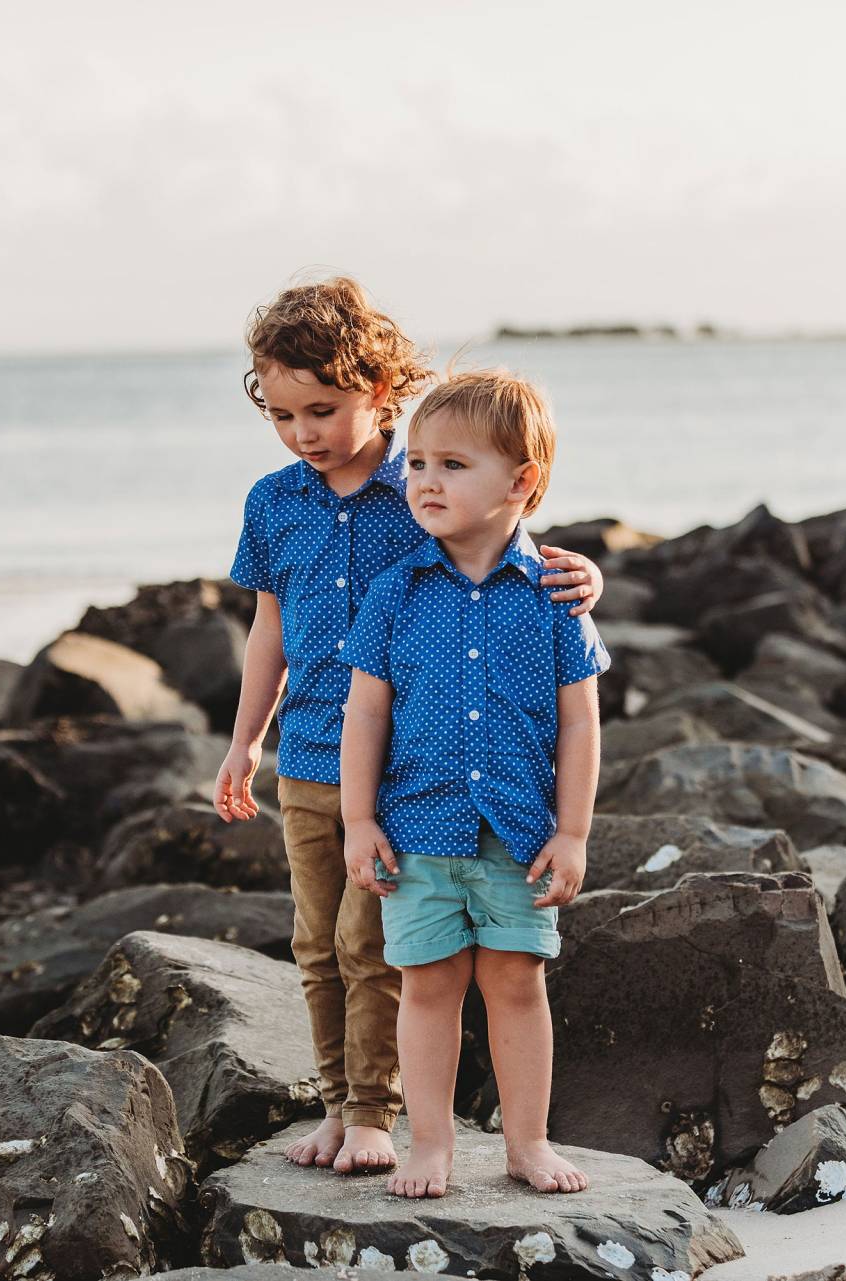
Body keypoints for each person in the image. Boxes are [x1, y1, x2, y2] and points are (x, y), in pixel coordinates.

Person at [215, 279, 605, 1175]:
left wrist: (587, 577)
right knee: (317, 945)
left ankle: (373, 1114)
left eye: (322, 410)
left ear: (379, 391)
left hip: (409, 778)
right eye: (281, 414)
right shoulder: (272, 503)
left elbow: (502, 551)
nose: (303, 433)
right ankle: (336, 1106)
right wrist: (244, 739)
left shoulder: (420, 486)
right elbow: (268, 630)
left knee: (375, 948)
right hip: (308, 759)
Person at [339, 369, 608, 1197]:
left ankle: (528, 1142)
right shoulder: (394, 592)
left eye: (453, 465)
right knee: (427, 987)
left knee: (516, 984)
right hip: (417, 830)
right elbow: (365, 714)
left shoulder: (556, 595)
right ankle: (431, 1144)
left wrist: (573, 832)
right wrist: (357, 820)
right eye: (418, 463)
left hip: (519, 835)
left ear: (521, 481)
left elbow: (580, 724)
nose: (425, 480)